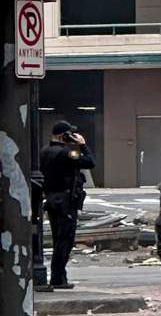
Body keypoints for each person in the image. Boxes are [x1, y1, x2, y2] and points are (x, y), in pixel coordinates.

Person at [40, 121, 95, 289]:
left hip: (51, 199)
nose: (72, 137)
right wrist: (83, 145)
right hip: (65, 201)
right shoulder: (68, 151)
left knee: (58, 238)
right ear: (63, 136)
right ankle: (57, 277)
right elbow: (90, 162)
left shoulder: (44, 151)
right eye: (69, 134)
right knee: (65, 240)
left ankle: (60, 277)